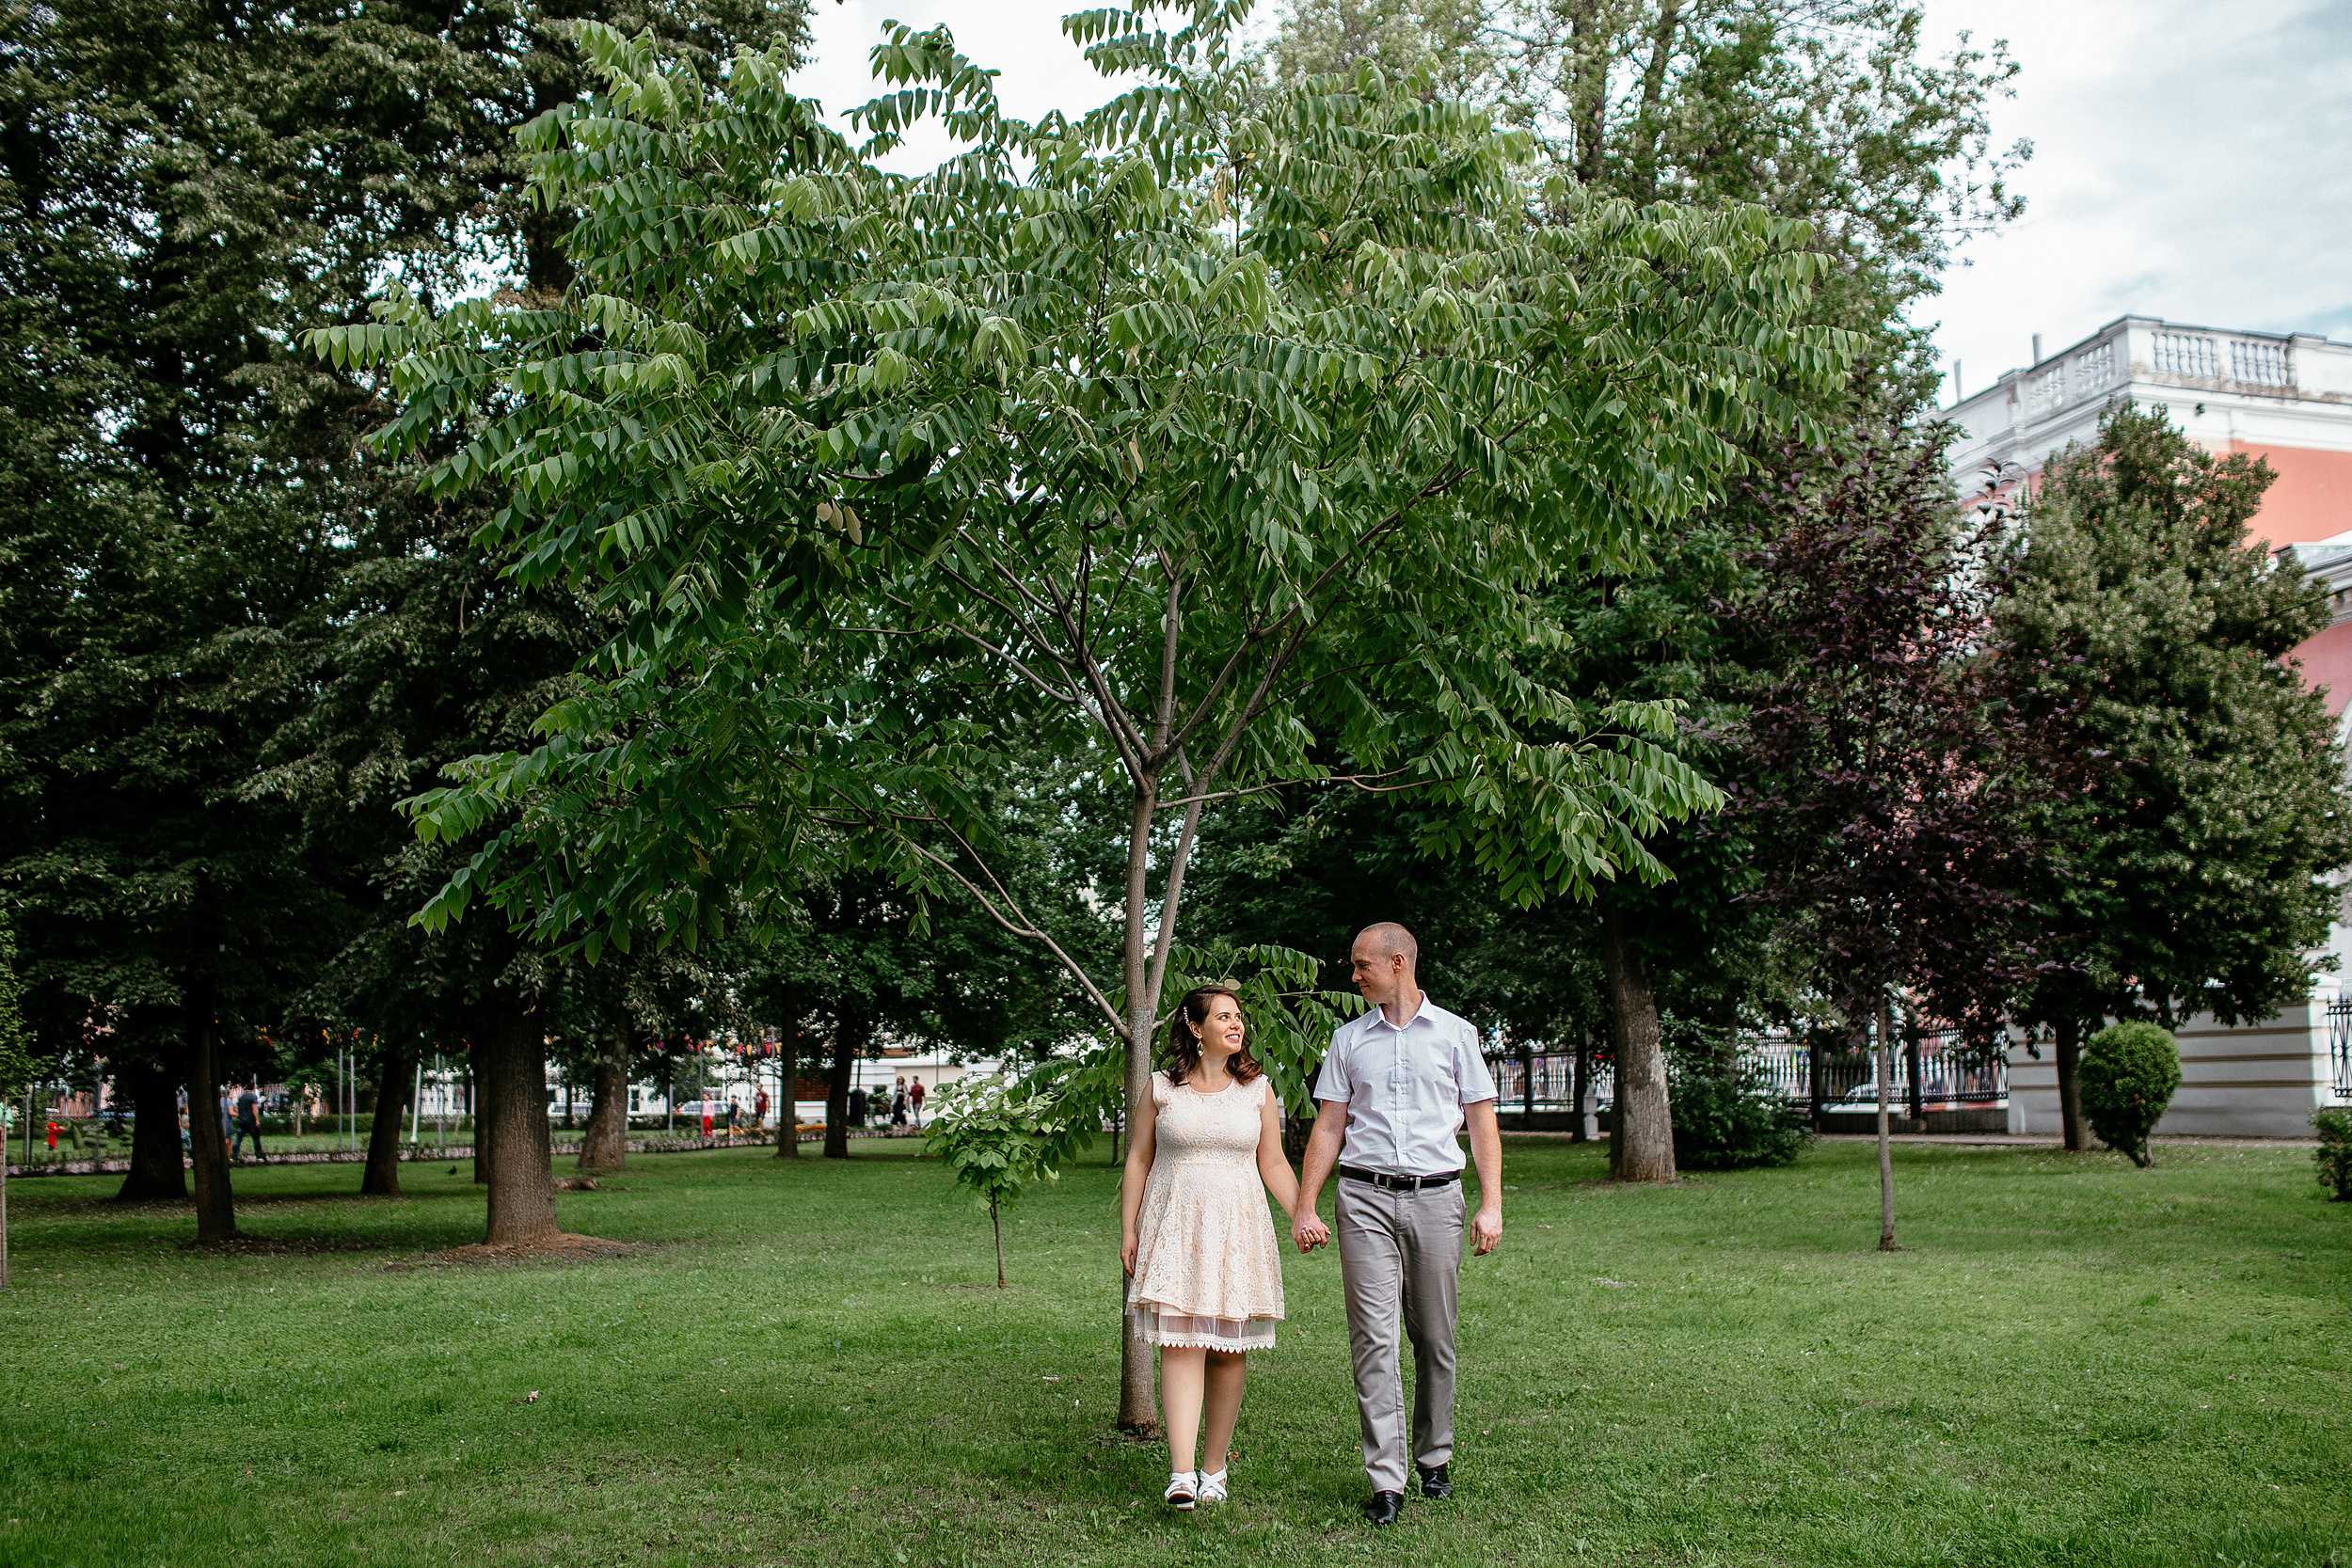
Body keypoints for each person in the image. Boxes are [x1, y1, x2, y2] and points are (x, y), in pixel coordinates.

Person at [1292, 922, 1502, 1527]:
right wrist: (1306, 1205)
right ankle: (1388, 1479)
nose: (1354, 976)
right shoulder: (1349, 1040)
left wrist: (1490, 1203)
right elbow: (1329, 1126)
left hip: (1437, 1200)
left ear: (1399, 962)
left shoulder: (1458, 1036)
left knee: (1435, 1338)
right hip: (1363, 1201)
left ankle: (1435, 1456)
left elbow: (1482, 1124)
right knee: (1373, 1342)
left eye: (1362, 965)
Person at [1121, 985, 1315, 1512]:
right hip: (1175, 1225)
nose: (1236, 1025)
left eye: (1239, 1017)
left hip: (1237, 1227)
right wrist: (1129, 1229)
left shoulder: (1257, 1090)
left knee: (1227, 1351)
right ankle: (1181, 1473)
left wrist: (1304, 1213)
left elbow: (1273, 1163)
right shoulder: (1162, 1089)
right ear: (1194, 1027)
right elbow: (1139, 1158)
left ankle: (1215, 1470)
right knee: (1180, 1342)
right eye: (1224, 1016)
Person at [232, 1086, 265, 1164]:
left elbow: (236, 1106)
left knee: (238, 1139)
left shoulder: (241, 1096)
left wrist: (239, 1115)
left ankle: (234, 1155)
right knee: (256, 1139)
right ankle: (259, 1156)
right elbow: (254, 1108)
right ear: (253, 1088)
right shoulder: (253, 1096)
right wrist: (257, 1119)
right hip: (251, 1122)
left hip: (242, 1121)